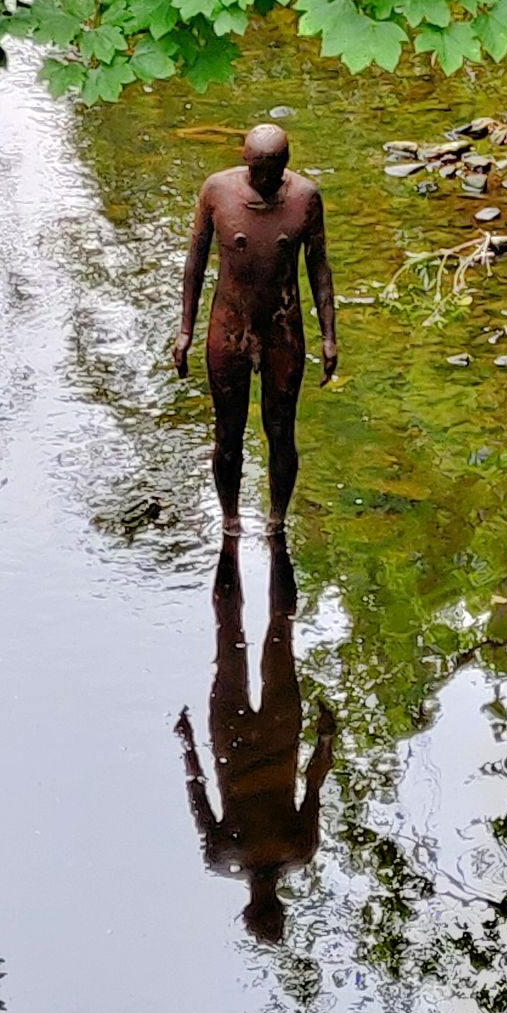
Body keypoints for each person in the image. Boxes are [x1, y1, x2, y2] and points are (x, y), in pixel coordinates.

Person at [173, 124, 337, 535]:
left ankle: (276, 521)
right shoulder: (217, 191)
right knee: (227, 434)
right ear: (246, 162)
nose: (266, 179)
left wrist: (329, 336)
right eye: (259, 170)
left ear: (285, 165)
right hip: (229, 329)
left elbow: (319, 267)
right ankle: (230, 521)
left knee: (281, 432)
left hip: (282, 330)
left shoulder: (305, 198)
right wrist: (185, 330)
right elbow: (194, 262)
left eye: (274, 170)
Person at [175, 534, 336, 943]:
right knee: (254, 632)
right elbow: (313, 785)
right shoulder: (287, 851)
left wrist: (189, 745)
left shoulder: (240, 855)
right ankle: (265, 538)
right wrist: (325, 741)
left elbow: (198, 794)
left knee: (251, 633)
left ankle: (250, 538)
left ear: (254, 909)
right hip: (259, 742)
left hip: (250, 742)